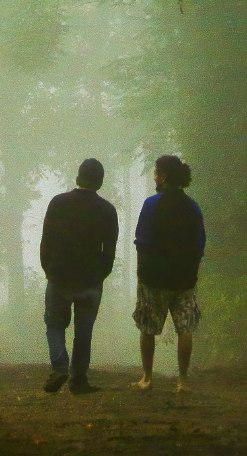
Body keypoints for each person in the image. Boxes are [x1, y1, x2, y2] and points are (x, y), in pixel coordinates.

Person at [39, 158, 118, 394]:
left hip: (60, 277)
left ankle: (59, 366)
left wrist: (49, 270)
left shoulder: (58, 203)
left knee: (54, 323)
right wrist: (99, 275)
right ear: (100, 182)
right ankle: (78, 380)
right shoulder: (107, 210)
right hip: (90, 281)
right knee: (84, 332)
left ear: (77, 178)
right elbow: (109, 251)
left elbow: (46, 242)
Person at [131, 155, 205, 394]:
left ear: (162, 176)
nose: (154, 176)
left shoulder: (151, 204)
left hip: (154, 279)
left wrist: (143, 274)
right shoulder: (192, 206)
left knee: (148, 329)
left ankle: (148, 377)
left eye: (155, 172)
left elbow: (142, 241)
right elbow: (200, 242)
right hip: (184, 280)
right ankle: (182, 381)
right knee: (185, 329)